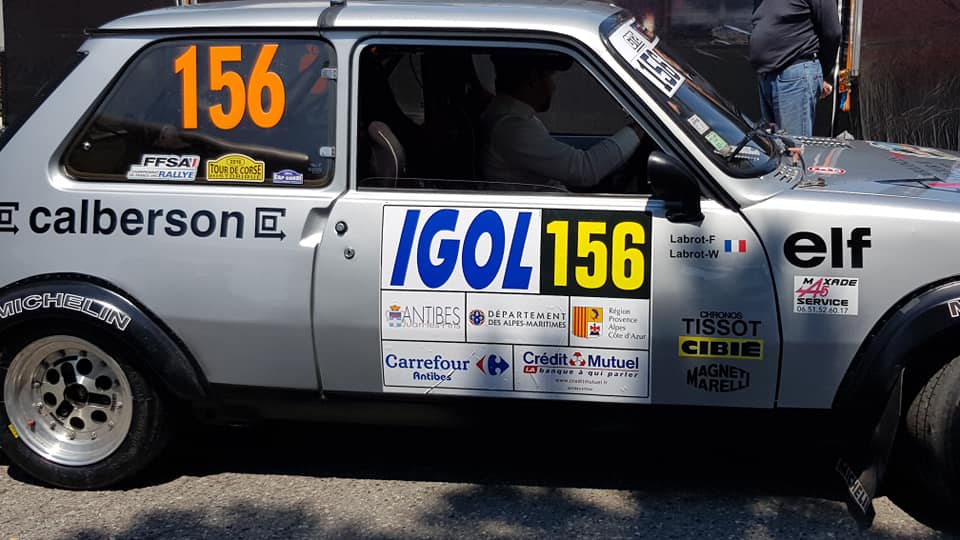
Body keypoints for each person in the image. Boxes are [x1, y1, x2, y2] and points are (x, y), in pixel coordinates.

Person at [479, 52, 645, 191]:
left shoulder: (511, 118)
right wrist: (640, 128)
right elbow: (585, 170)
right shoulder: (512, 129)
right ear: (533, 78)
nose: (553, 87)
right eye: (550, 76)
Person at [749, 0, 841, 137]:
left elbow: (832, 32)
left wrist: (820, 74)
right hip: (767, 76)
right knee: (772, 145)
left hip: (794, 75)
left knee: (793, 146)